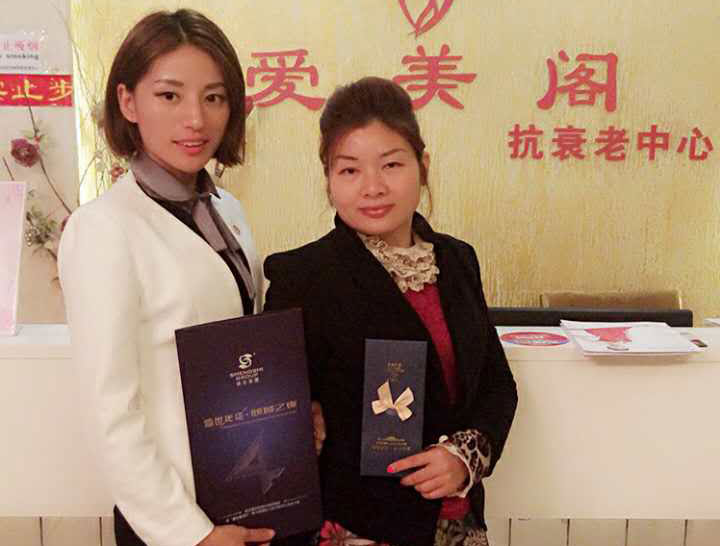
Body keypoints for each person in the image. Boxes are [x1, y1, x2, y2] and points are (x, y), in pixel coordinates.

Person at [264, 77, 518, 546]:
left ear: (423, 166)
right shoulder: (302, 276)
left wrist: (465, 457)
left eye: (392, 164)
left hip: (458, 523)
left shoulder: (457, 260)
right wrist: (300, 418)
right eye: (350, 170)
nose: (373, 187)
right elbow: (278, 413)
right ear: (328, 179)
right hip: (355, 527)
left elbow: (496, 385)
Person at [59, 9, 274, 546]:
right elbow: (111, 410)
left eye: (214, 97)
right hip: (173, 515)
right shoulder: (103, 229)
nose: (195, 119)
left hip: (242, 487)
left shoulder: (228, 211)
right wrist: (188, 533)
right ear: (128, 102)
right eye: (170, 95)